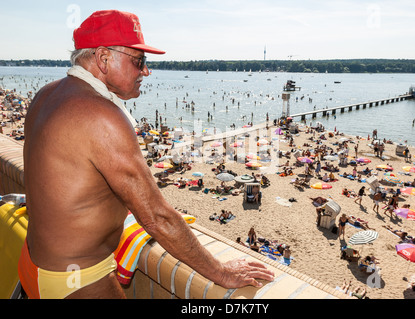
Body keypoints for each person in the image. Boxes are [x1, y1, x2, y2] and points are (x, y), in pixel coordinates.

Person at [18, 10, 274, 299]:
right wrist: (222, 272)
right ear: (103, 58)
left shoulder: (47, 94)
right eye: (139, 61)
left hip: (34, 261)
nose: (146, 71)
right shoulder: (100, 115)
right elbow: (157, 217)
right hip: (74, 279)